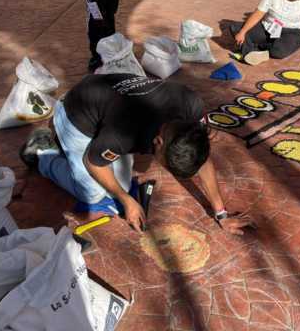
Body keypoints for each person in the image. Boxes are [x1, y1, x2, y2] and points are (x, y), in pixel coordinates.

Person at [20, 73, 253, 235]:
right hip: (76, 114)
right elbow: (94, 163)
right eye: (166, 164)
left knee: (119, 182)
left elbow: (201, 157)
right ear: (158, 142)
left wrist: (221, 214)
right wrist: (126, 200)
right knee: (92, 193)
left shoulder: (191, 108)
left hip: (106, 104)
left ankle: (68, 149)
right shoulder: (124, 132)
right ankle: (43, 152)